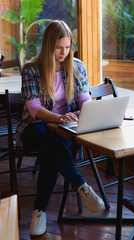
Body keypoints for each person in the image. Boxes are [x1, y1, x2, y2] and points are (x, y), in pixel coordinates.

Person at [16, 20, 105, 236]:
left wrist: (93, 111)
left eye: (67, 47)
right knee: (47, 136)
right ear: (48, 45)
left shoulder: (76, 66)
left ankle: (40, 211)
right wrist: (58, 118)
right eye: (58, 47)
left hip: (64, 127)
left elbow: (84, 96)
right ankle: (81, 184)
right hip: (34, 127)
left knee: (51, 150)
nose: (64, 52)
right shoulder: (31, 70)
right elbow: (35, 108)